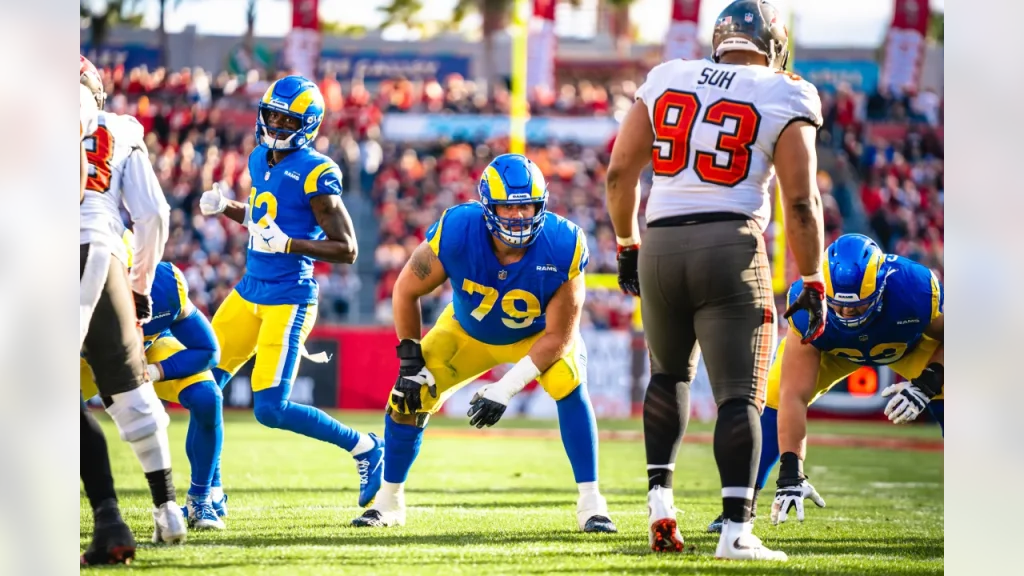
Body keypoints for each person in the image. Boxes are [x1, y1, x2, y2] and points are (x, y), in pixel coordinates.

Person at [604, 0, 826, 561]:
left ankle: (660, 505)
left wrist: (628, 244)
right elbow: (800, 201)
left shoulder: (668, 76)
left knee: (667, 378)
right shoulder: (786, 90)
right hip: (730, 246)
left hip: (659, 242)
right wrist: (814, 278)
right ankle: (735, 532)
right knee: (739, 396)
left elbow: (617, 173)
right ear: (773, 44)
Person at [351, 154, 616, 533]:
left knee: (568, 382)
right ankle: (389, 502)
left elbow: (561, 335)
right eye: (509, 207)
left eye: (527, 206)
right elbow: (405, 291)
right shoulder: (459, 228)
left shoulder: (563, 242)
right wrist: (410, 362)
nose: (520, 216)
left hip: (537, 337)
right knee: (408, 395)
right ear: (488, 207)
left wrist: (505, 388)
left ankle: (592, 505)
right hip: (467, 332)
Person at [199, 75, 384, 508]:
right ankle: (211, 490)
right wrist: (227, 207)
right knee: (203, 387)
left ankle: (365, 448)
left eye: (287, 119)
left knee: (271, 409)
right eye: (272, 116)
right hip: (249, 289)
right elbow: (266, 219)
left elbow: (348, 248)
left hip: (289, 296)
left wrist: (289, 244)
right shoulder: (260, 158)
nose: (277, 125)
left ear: (309, 124)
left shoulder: (318, 171)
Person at [755, 234, 944, 527]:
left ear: (881, 288)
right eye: (838, 306)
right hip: (833, 350)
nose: (846, 314)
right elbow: (793, 395)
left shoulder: (915, 288)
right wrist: (791, 472)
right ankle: (741, 506)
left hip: (906, 346)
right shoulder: (807, 302)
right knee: (774, 398)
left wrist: (928, 383)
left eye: (856, 307)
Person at [79, 55, 186, 550]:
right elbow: (154, 213)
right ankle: (168, 511)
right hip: (101, 251)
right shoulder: (119, 128)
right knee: (131, 394)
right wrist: (140, 284)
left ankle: (108, 518)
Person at [82, 232, 228, 531]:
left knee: (207, 396)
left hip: (147, 351)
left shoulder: (165, 283)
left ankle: (200, 498)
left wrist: (155, 370)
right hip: (85, 360)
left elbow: (209, 350)